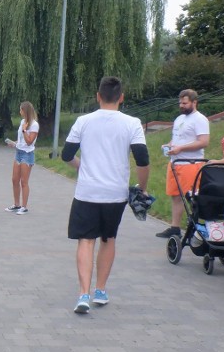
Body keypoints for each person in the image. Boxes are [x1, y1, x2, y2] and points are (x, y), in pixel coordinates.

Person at [62, 77, 150, 313]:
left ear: (98, 96)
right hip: (116, 193)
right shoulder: (132, 123)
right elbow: (142, 159)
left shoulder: (83, 121)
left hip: (87, 191)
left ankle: (83, 294)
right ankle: (100, 290)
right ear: (121, 97)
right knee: (108, 238)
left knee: (85, 240)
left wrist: (83, 167)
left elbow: (66, 154)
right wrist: (142, 188)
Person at [155, 89, 210, 238]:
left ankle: (194, 226)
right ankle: (175, 227)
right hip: (175, 162)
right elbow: (177, 138)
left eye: (185, 103)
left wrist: (181, 148)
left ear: (194, 102)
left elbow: (203, 142)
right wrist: (170, 145)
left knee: (191, 197)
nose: (182, 105)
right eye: (180, 102)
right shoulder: (179, 119)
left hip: (190, 163)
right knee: (175, 195)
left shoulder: (199, 119)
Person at [4, 101, 39, 215]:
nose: (19, 112)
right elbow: (22, 140)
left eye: (21, 110)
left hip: (27, 154)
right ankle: (16, 204)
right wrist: (14, 143)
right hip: (18, 152)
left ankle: (24, 207)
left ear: (25, 111)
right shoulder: (22, 122)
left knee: (24, 181)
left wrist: (24, 130)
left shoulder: (34, 124)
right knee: (14, 180)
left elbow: (29, 142)